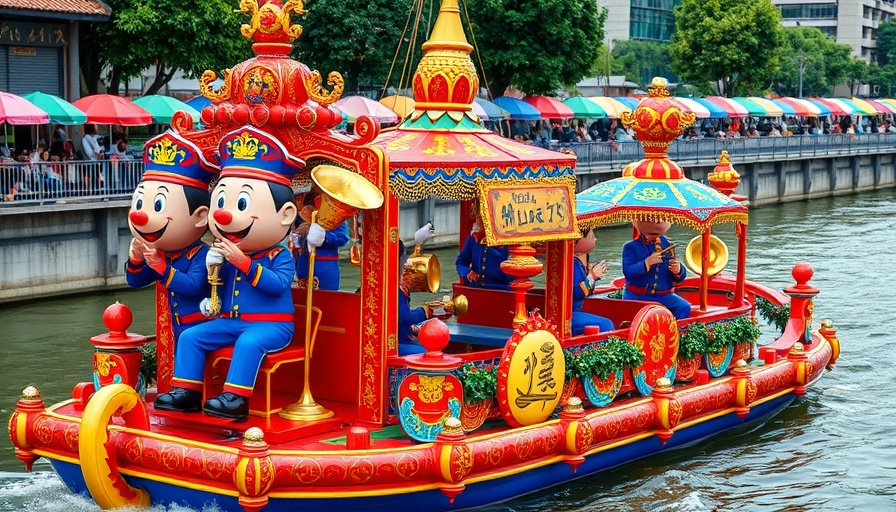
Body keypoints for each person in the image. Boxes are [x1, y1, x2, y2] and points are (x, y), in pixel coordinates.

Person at [154, 126, 304, 421]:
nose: (223, 215)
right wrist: (215, 269)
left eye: (241, 204)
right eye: (220, 203)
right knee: (192, 337)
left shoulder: (279, 254)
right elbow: (212, 290)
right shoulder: (223, 254)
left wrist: (244, 263)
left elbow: (277, 285)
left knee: (249, 343)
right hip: (230, 321)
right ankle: (187, 391)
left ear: (285, 214)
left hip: (272, 326)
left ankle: (236, 396)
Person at [125, 130, 219, 341]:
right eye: (139, 203)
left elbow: (193, 286)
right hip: (171, 326)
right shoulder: (162, 252)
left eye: (157, 205)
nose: (140, 215)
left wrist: (160, 266)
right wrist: (137, 260)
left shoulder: (201, 254)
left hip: (198, 327)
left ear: (201, 216)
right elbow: (135, 281)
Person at [622, 219, 691, 320]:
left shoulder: (668, 244)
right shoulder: (630, 247)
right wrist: (647, 263)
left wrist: (679, 271)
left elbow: (677, 279)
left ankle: (676, 333)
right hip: (638, 296)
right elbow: (628, 272)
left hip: (664, 296)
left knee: (684, 307)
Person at [398, 239, 452, 355]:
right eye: (403, 257)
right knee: (426, 353)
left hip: (401, 335)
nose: (406, 261)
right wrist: (427, 311)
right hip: (396, 342)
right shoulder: (393, 288)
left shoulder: (397, 284)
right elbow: (403, 318)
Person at [294, 191, 350, 290]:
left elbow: (343, 237)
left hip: (325, 266)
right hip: (304, 264)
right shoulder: (304, 213)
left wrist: (323, 236)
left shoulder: (335, 216)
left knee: (326, 299)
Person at [571, 227, 614, 335]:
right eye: (591, 236)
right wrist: (592, 276)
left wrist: (593, 276)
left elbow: (586, 291)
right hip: (569, 313)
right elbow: (576, 292)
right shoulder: (572, 263)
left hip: (575, 310)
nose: (595, 239)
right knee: (606, 324)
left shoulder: (577, 262)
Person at [455, 210, 512, 290]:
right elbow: (461, 262)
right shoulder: (474, 238)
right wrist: (467, 273)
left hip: (501, 291)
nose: (477, 220)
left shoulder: (509, 239)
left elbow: (514, 275)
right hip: (476, 289)